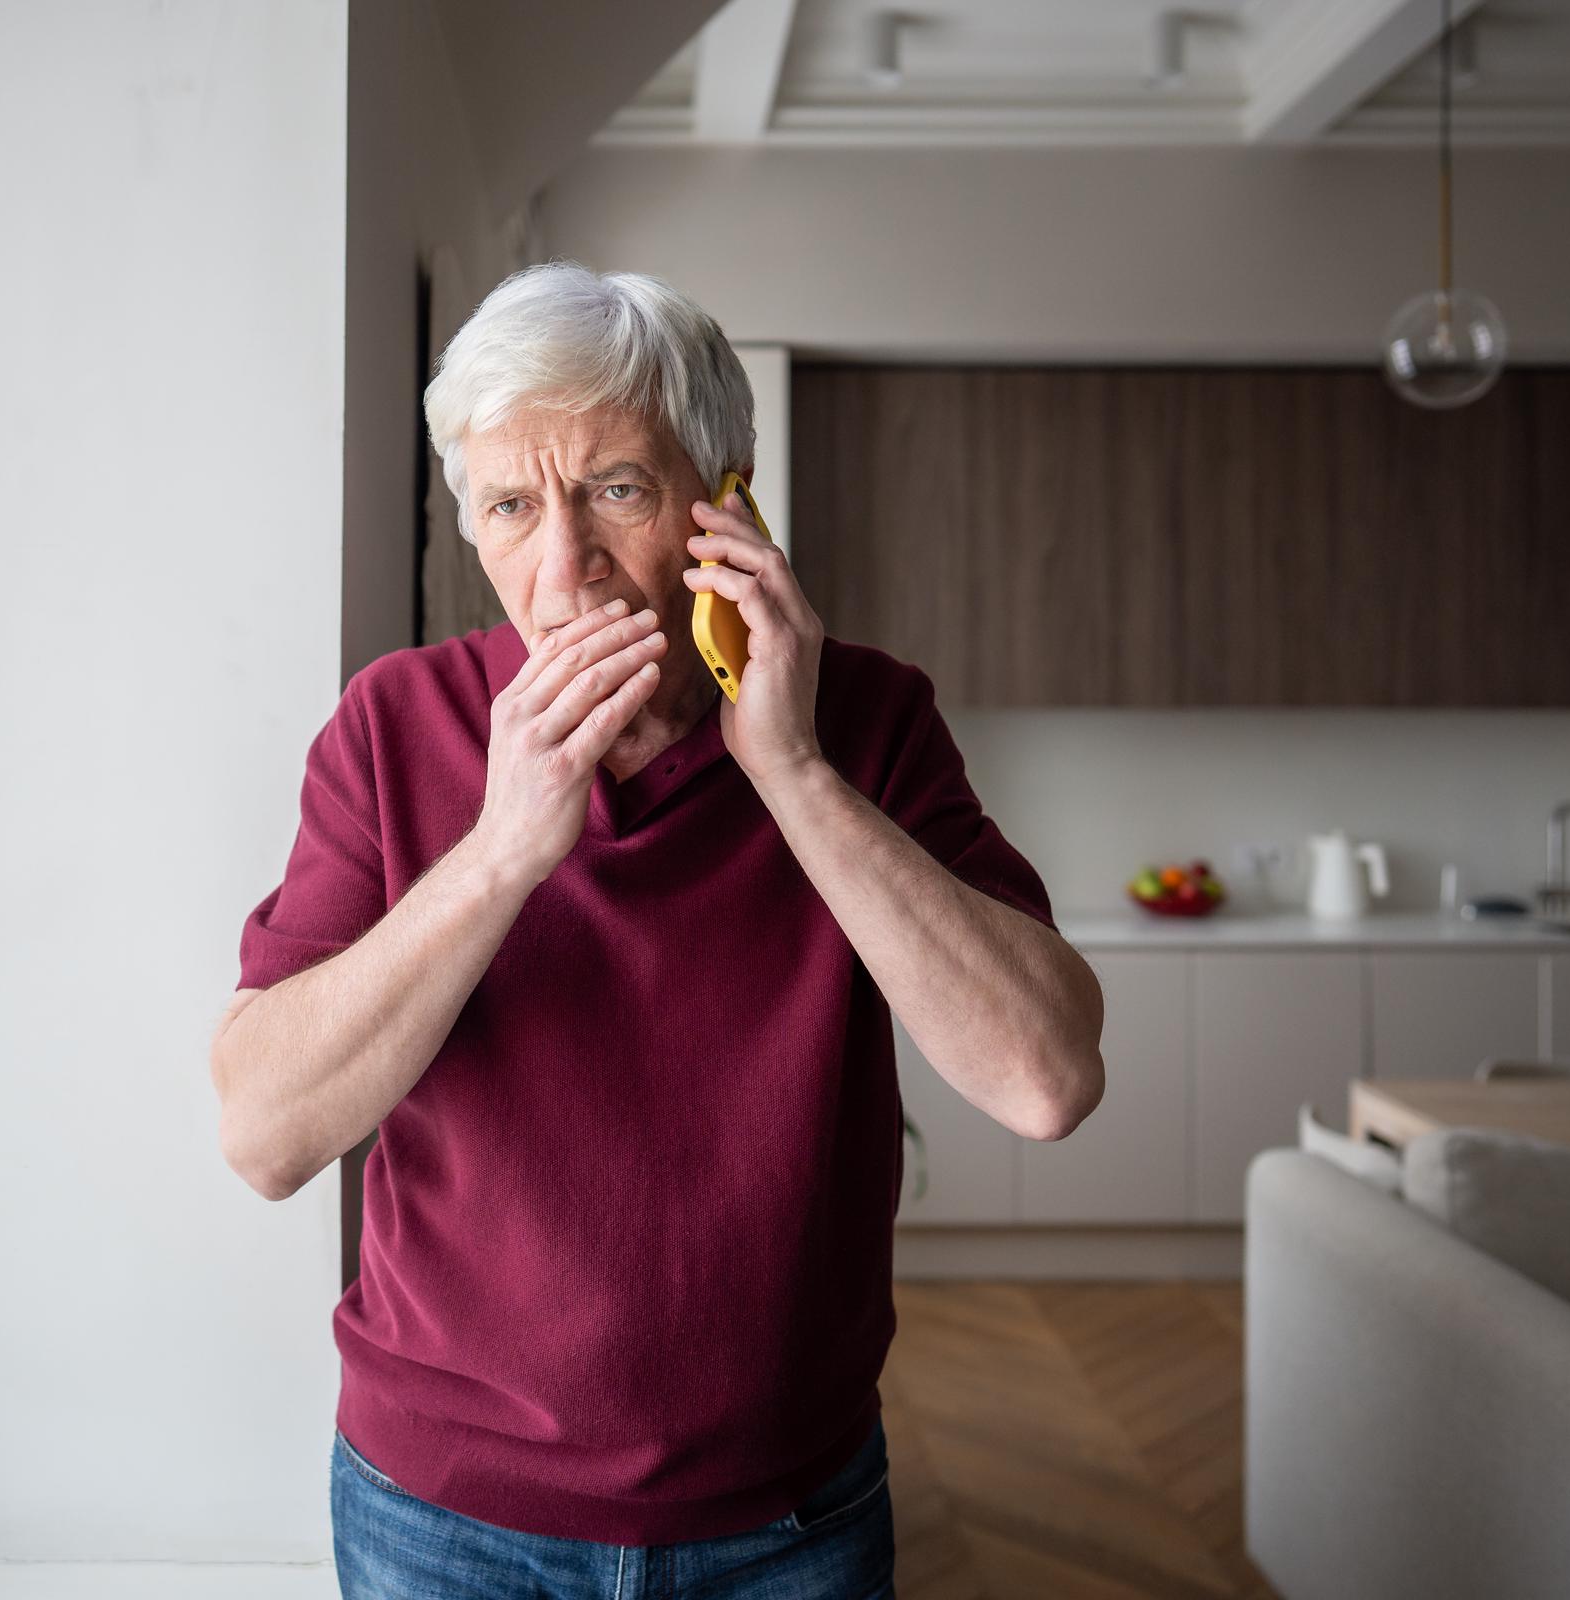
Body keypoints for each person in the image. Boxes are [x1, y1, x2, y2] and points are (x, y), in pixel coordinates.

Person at [210, 260, 1105, 1599]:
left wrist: (793, 771)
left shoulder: (868, 721)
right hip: (444, 1518)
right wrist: (503, 851)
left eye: (615, 491)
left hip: (787, 1522)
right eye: (512, 506)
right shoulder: (391, 730)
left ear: (724, 499)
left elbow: (1046, 1080)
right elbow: (266, 1136)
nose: (560, 569)